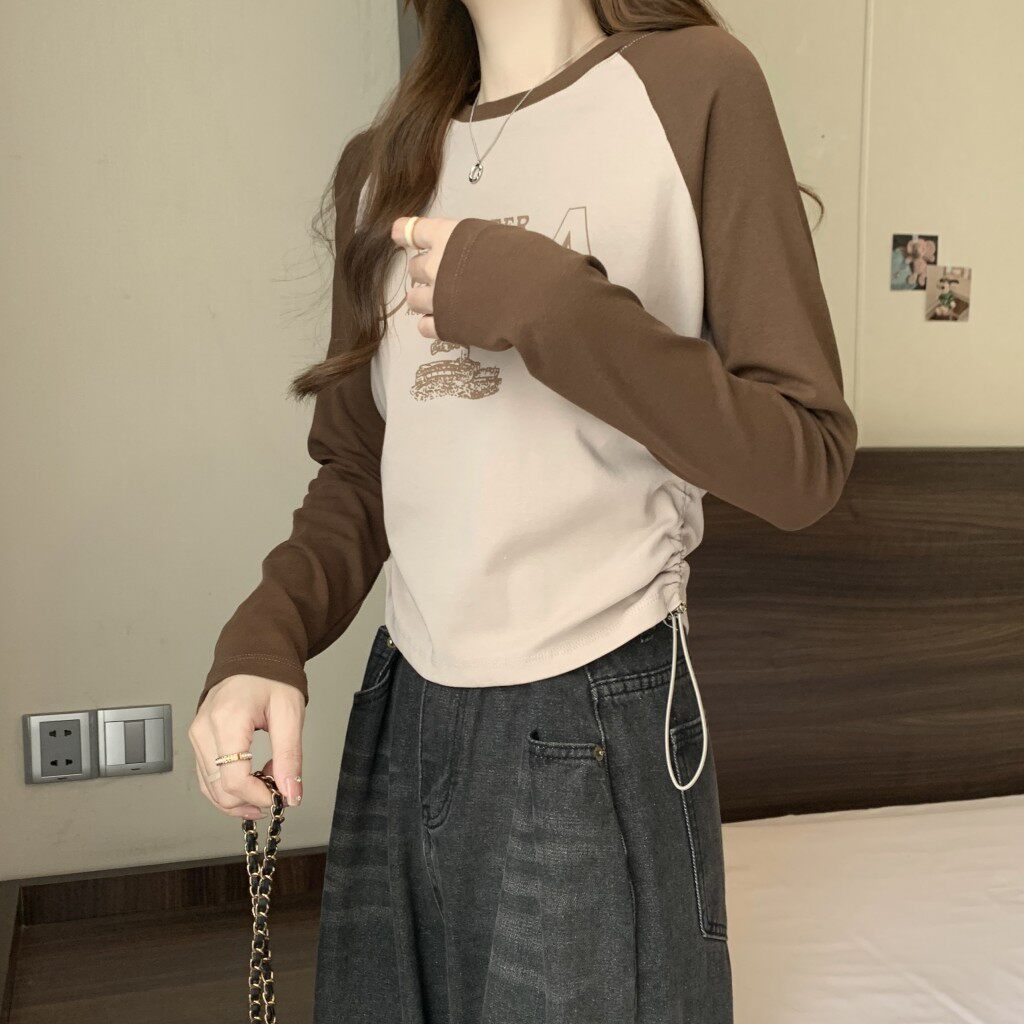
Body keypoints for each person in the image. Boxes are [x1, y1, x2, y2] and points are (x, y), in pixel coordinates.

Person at [189, 1, 858, 1021]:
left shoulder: (697, 85)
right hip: (402, 708)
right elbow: (360, 471)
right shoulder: (380, 165)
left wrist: (557, 309)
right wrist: (263, 639)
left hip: (596, 704)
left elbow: (803, 462)